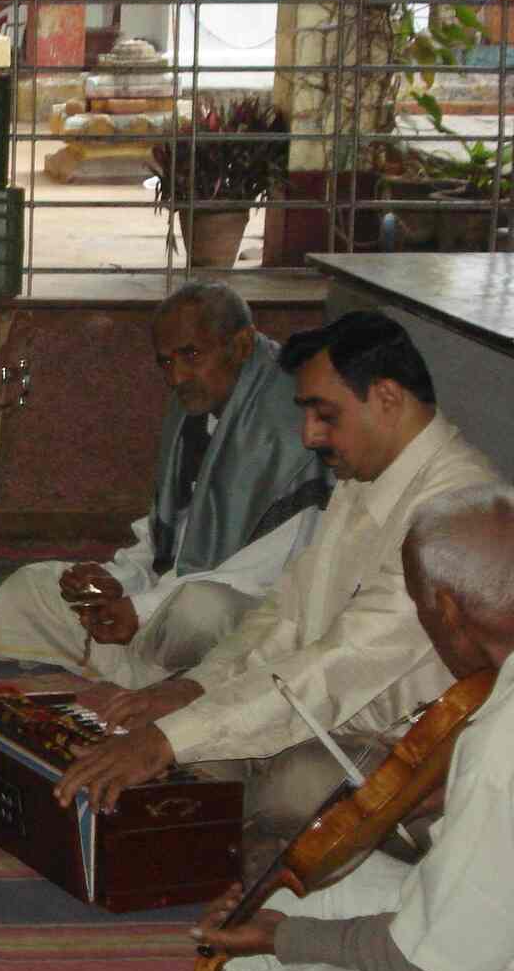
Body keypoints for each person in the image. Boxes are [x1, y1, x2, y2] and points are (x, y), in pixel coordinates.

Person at [37, 484, 514, 971]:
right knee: (307, 882)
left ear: (442, 608)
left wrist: (280, 937)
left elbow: (434, 960)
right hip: (482, 927)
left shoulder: (500, 746)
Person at [53, 311, 501, 847]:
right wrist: (191, 688)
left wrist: (169, 740)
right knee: (182, 760)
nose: (309, 436)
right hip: (319, 714)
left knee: (287, 785)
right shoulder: (366, 476)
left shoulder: (454, 511)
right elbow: (286, 613)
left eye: (323, 414)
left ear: (386, 397)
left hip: (414, 756)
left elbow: (341, 663)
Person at [0, 283, 330, 687]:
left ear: (241, 345)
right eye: (165, 362)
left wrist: (142, 609)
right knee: (27, 589)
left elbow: (266, 570)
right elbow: (169, 533)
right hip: (163, 604)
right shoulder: (197, 410)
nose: (176, 376)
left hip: (248, 608)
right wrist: (121, 580)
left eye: (191, 355)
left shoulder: (291, 426)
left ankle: (165, 671)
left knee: (201, 614)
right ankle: (163, 673)